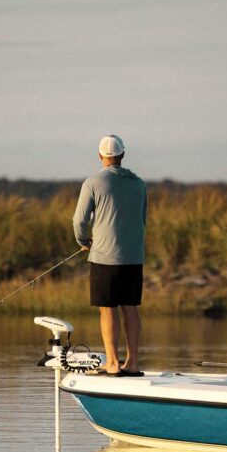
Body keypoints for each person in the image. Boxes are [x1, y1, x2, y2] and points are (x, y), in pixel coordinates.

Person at [73, 134, 147, 377]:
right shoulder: (139, 183)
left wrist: (83, 242)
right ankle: (133, 363)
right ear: (122, 155)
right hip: (133, 257)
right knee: (131, 308)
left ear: (100, 156)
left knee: (107, 309)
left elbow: (79, 220)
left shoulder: (92, 182)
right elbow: (142, 220)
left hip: (105, 257)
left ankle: (113, 363)